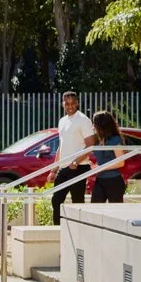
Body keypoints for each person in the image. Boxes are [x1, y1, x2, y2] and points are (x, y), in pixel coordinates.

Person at [51, 91, 95, 224]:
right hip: (64, 167)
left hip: (79, 167)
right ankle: (58, 230)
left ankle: (79, 230)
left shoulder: (83, 120)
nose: (70, 106)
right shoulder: (62, 121)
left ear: (77, 103)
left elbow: (90, 145)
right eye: (67, 103)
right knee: (56, 199)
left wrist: (76, 161)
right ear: (63, 104)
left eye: (72, 103)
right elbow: (61, 146)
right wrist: (54, 169)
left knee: (77, 202)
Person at [89, 111, 126, 203]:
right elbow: (103, 159)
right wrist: (95, 166)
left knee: (116, 212)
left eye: (95, 123)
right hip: (100, 179)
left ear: (101, 125)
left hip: (114, 180)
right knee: (95, 208)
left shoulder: (115, 139)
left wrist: (101, 167)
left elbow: (120, 162)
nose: (93, 126)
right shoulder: (99, 140)